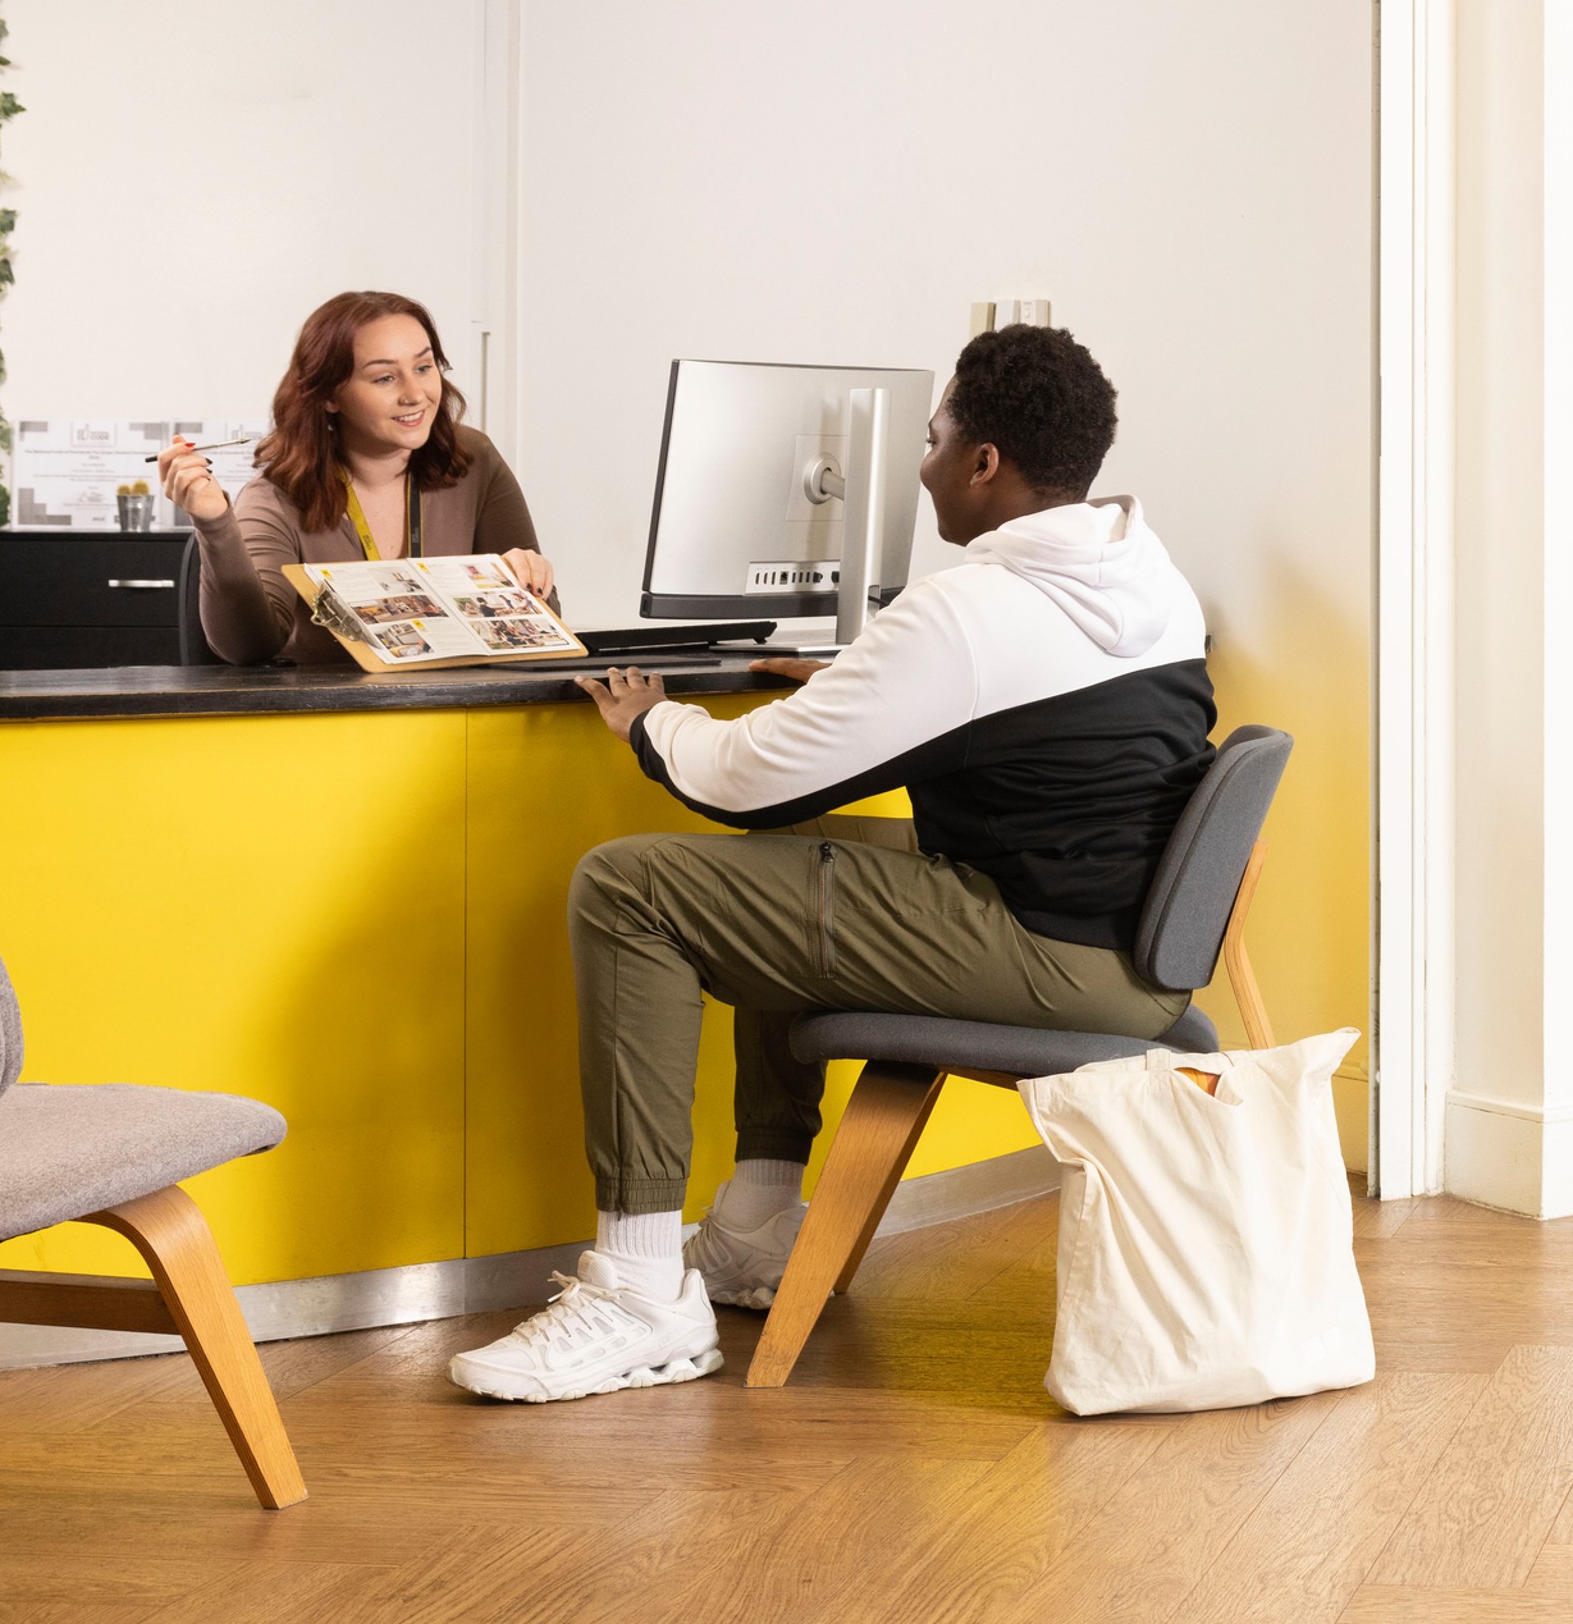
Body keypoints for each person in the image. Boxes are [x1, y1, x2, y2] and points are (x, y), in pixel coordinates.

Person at [446, 323, 1214, 1404]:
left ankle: (638, 1292)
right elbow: (1001, 699)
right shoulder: (1143, 570)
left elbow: (751, 776)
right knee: (790, 864)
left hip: (1046, 951)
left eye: (939, 435)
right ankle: (758, 1224)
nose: (923, 460)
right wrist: (871, 674)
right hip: (1127, 940)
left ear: (986, 462)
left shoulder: (968, 611)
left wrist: (653, 724)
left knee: (632, 885)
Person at [159, 290, 558, 665]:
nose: (415, 394)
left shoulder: (473, 458)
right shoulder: (274, 497)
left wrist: (527, 579)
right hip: (335, 722)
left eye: (423, 367)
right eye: (385, 378)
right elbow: (249, 648)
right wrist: (213, 522)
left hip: (458, 714)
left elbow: (545, 624)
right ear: (330, 396)